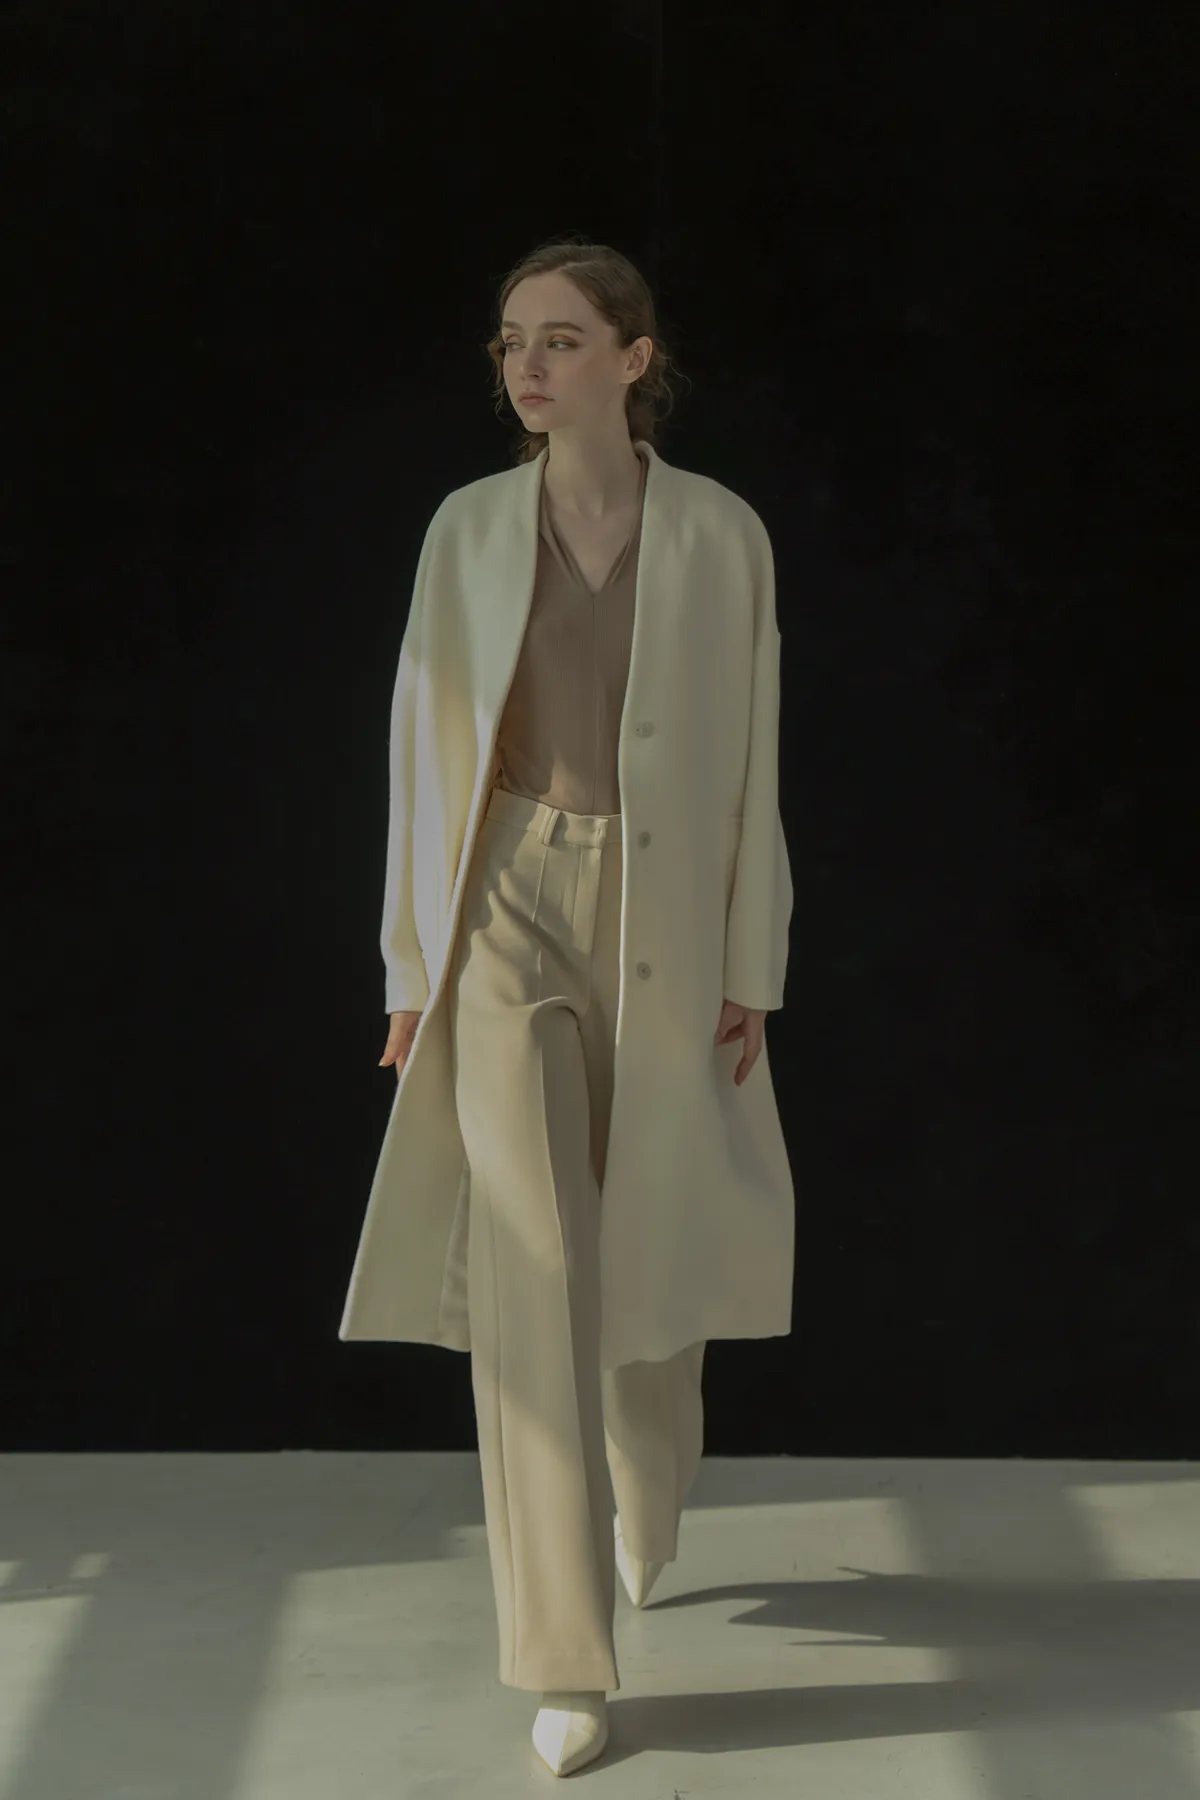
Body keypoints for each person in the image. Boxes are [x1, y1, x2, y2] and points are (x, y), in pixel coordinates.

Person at [360, 237, 791, 1778]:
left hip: (664, 916)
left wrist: (753, 963)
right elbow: (422, 746)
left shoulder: (721, 536)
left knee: (648, 1262)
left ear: (632, 357)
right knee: (534, 1270)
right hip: (506, 908)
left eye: (558, 339)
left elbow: (756, 759)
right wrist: (411, 966)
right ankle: (563, 1656)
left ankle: (650, 1477)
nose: (527, 367)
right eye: (510, 343)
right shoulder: (468, 531)